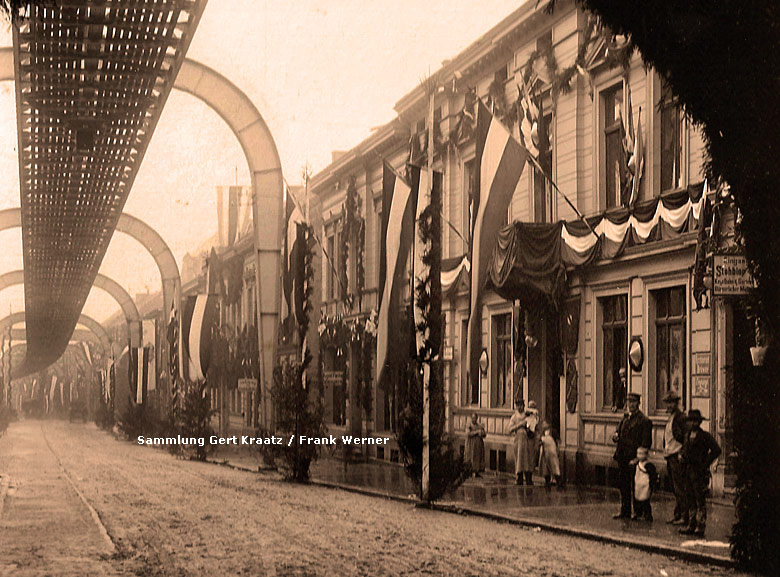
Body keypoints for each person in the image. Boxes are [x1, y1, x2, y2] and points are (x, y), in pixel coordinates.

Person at [679, 409, 721, 537]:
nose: (693, 424)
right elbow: (684, 450)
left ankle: (700, 525)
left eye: (695, 421)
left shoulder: (704, 436)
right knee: (690, 498)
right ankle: (691, 524)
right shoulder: (686, 435)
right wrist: (681, 456)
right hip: (688, 470)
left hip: (699, 472)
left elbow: (716, 450)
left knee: (700, 499)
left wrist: (705, 462)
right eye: (691, 421)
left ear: (699, 422)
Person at [612, 392, 652, 519]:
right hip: (622, 457)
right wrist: (615, 437)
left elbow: (646, 442)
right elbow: (618, 432)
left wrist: (637, 459)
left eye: (633, 402)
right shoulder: (624, 419)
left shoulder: (643, 421)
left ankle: (639, 512)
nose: (631, 405)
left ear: (638, 404)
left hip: (634, 458)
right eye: (629, 402)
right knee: (623, 485)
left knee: (638, 486)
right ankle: (625, 511)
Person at [662, 389, 688, 525]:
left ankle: (684, 516)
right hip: (670, 455)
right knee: (674, 487)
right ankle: (678, 515)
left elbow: (686, 438)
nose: (668, 406)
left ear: (676, 403)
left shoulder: (680, 418)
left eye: (671, 403)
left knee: (680, 488)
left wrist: (681, 453)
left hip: (677, 456)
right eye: (667, 403)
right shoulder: (670, 417)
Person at [508, 399, 539, 485]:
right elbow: (509, 429)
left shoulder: (528, 415)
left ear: (524, 406)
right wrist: (520, 425)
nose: (520, 407)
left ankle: (529, 478)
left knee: (529, 460)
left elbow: (535, 426)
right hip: (519, 442)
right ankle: (519, 477)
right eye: (518, 405)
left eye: (521, 405)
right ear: (516, 406)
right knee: (520, 459)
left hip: (529, 440)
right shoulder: (514, 417)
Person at [632, 447, 658, 521]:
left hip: (645, 485)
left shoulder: (648, 465)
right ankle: (638, 513)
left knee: (645, 501)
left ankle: (647, 515)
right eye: (638, 453)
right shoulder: (637, 464)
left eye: (641, 453)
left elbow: (653, 475)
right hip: (638, 484)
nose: (639, 455)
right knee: (637, 500)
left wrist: (653, 485)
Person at [539, 422, 563, 489]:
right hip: (545, 451)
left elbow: (558, 441)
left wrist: (558, 450)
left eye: (544, 424)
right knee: (546, 467)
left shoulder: (553, 432)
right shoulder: (542, 433)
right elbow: (539, 441)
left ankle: (559, 481)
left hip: (552, 451)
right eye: (542, 424)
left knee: (555, 466)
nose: (543, 426)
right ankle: (547, 482)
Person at [464, 412, 486, 477]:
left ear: (477, 418)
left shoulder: (479, 425)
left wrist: (482, 433)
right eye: (473, 418)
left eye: (475, 418)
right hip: (471, 445)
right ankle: (470, 471)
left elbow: (484, 434)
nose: (474, 419)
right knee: (471, 457)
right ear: (471, 418)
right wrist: (476, 432)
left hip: (478, 446)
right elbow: (468, 433)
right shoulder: (469, 426)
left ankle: (477, 471)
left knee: (477, 458)